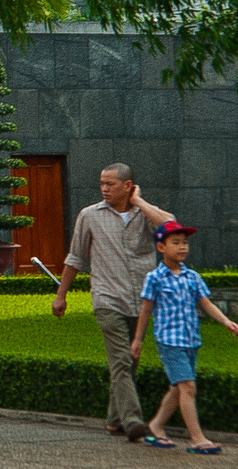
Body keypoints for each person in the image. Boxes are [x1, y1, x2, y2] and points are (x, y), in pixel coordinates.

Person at [52, 162, 174, 441]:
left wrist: (139, 202)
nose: (104, 189)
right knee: (120, 359)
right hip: (107, 298)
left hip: (141, 302)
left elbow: (169, 225)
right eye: (102, 184)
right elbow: (75, 258)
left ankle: (113, 420)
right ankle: (133, 421)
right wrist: (61, 295)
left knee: (130, 361)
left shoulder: (144, 216)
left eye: (111, 184)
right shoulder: (90, 216)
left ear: (128, 186)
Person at [130, 221, 238, 454]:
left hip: (191, 340)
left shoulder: (192, 276)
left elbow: (206, 303)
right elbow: (146, 310)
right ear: (161, 247)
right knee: (188, 387)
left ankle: (156, 425)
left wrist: (226, 321)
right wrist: (138, 339)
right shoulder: (155, 278)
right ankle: (197, 438)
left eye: (185, 242)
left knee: (178, 387)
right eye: (176, 242)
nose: (182, 247)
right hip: (169, 341)